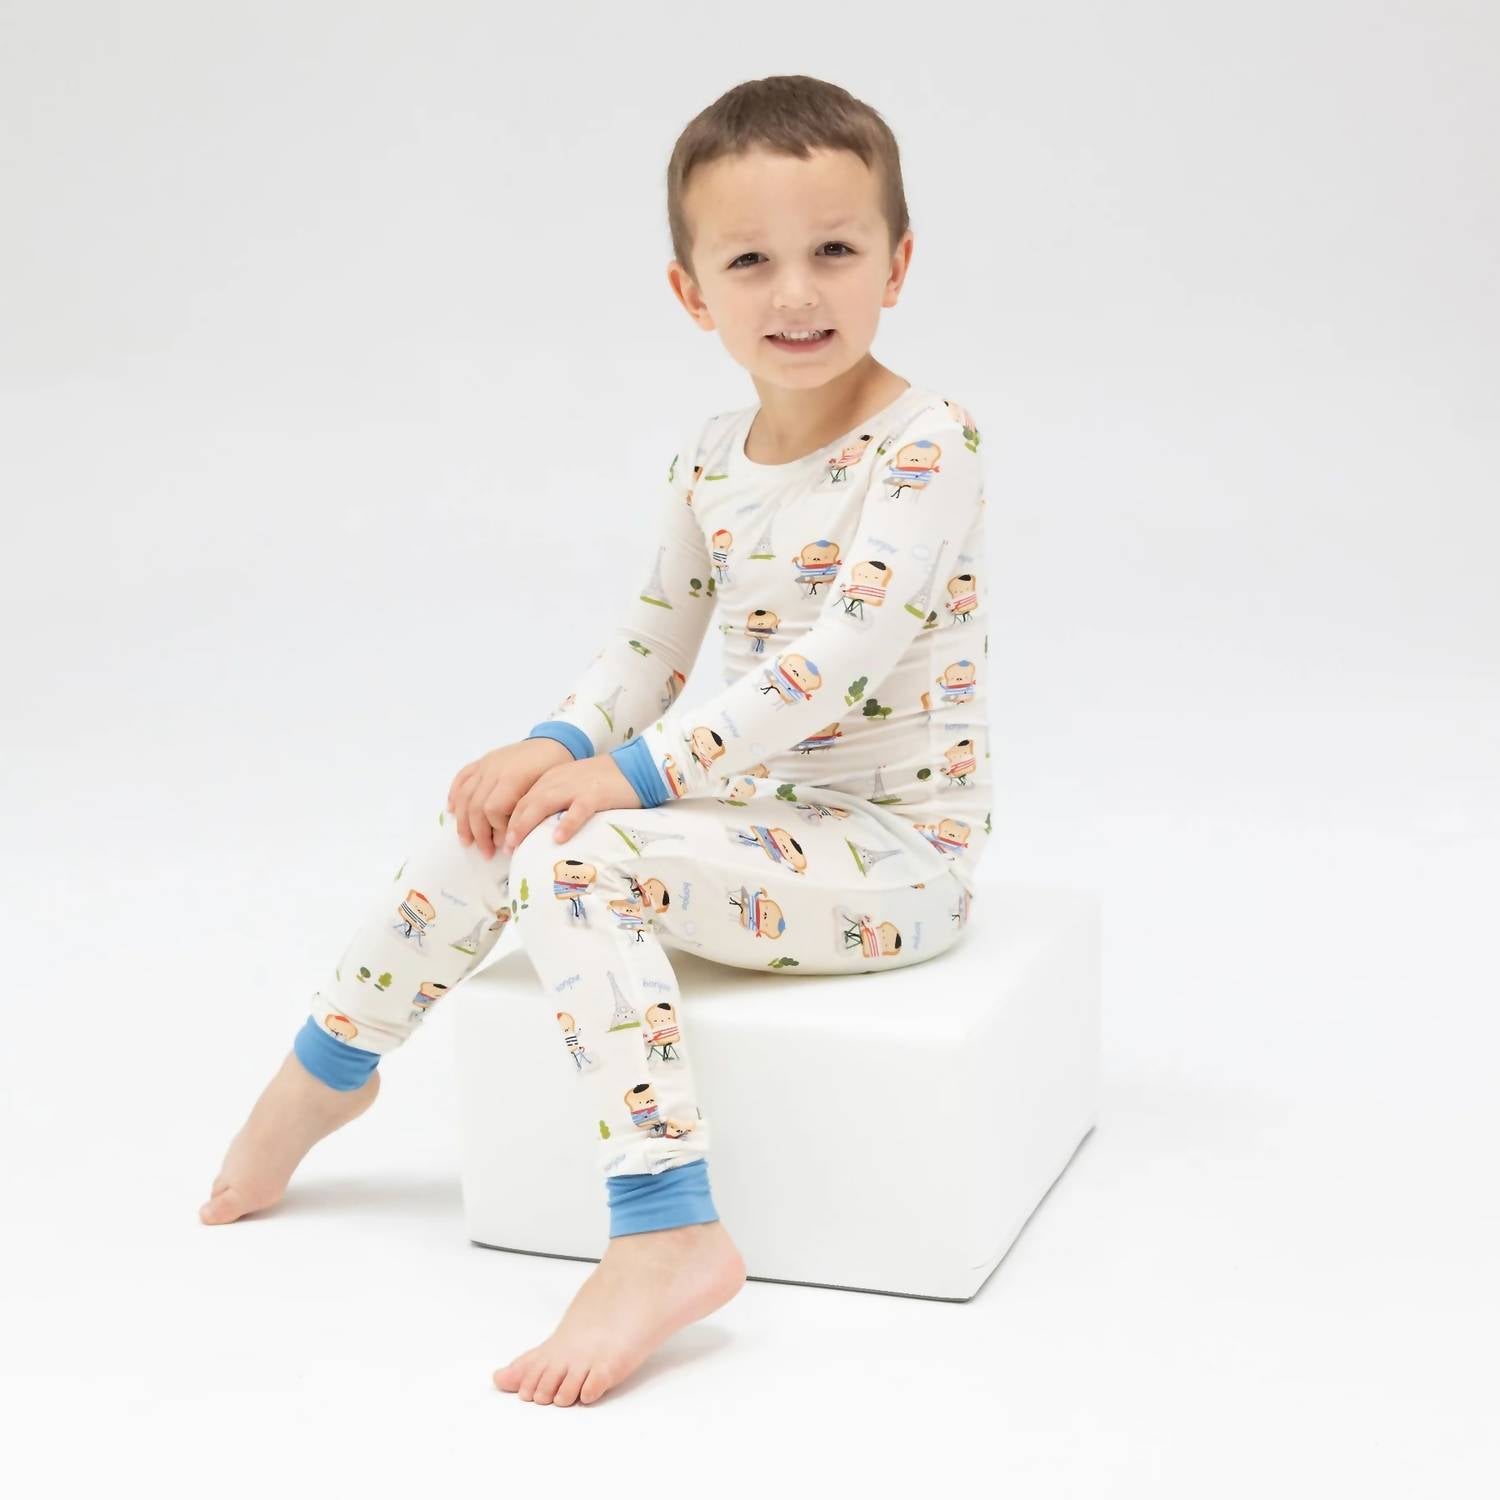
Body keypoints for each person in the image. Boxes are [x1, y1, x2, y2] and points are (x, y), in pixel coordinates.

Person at [199, 73, 993, 1408]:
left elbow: (836, 661)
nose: (797, 294)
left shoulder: (927, 442)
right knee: (507, 820)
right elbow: (652, 644)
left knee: (578, 858)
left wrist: (626, 777)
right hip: (761, 826)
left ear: (897, 265)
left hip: (897, 854)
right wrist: (555, 741)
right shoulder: (711, 458)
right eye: (751, 261)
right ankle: (328, 1067)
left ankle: (667, 1226)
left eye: (834, 251)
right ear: (692, 291)